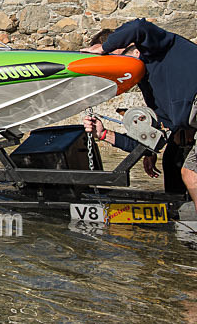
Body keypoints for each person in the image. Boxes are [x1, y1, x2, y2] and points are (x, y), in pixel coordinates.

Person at [80, 19, 197, 211]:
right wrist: (104, 134)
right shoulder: (151, 89)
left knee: (191, 172)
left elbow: (139, 27)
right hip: (190, 122)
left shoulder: (156, 48)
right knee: (173, 157)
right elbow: (156, 134)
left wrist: (103, 49)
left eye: (113, 58)